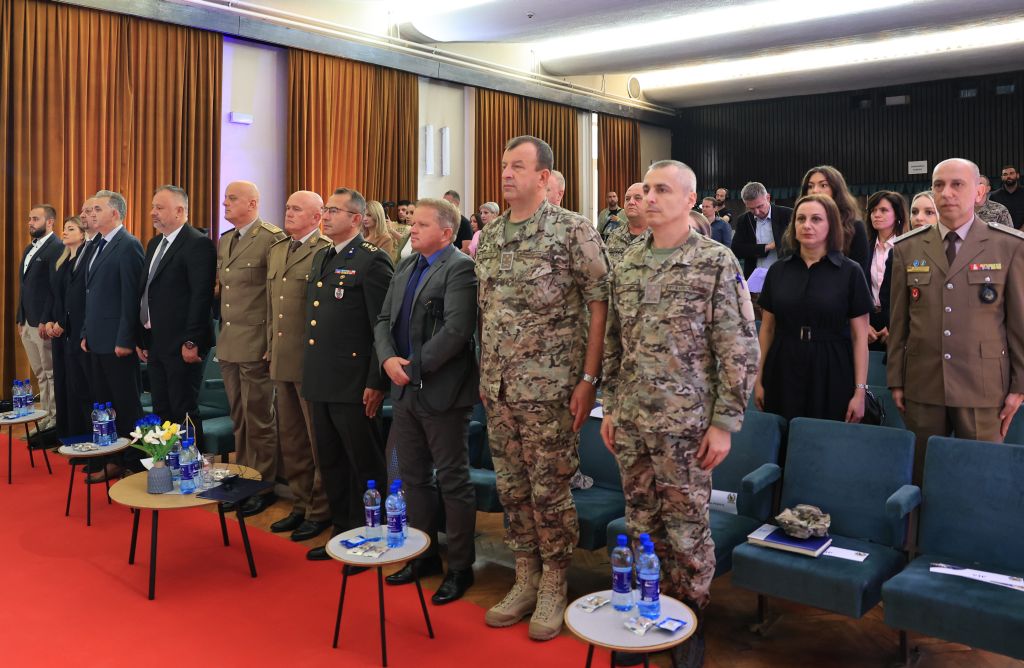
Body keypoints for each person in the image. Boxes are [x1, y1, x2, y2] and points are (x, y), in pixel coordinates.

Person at [601, 160, 759, 668]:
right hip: (632, 420)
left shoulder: (714, 261)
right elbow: (614, 345)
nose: (650, 197)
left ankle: (687, 622)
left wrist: (724, 423)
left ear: (690, 200)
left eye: (662, 190)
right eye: (647, 188)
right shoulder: (627, 262)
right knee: (641, 523)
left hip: (687, 426)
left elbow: (739, 347)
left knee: (688, 530)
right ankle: (647, 613)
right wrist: (610, 406)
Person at [475, 135, 609, 640]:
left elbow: (600, 304)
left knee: (550, 489)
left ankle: (555, 580)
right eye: (504, 165)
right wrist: (486, 374)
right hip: (499, 388)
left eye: (518, 166)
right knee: (512, 488)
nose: (507, 174)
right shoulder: (490, 235)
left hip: (551, 389)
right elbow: (487, 312)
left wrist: (589, 380)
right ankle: (525, 575)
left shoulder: (572, 230)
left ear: (544, 176)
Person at [888, 158, 1024, 484]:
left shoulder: (1008, 246)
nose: (946, 192)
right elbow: (899, 321)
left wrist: (1019, 387)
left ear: (978, 192)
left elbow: (1018, 324)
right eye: (939, 185)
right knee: (923, 477)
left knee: (980, 480)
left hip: (983, 387)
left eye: (957, 185)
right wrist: (895, 379)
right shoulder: (908, 248)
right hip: (923, 383)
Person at [375, 198, 479, 604]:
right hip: (404, 387)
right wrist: (388, 360)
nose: (412, 229)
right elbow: (384, 320)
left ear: (446, 232)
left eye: (421, 224)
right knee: (413, 477)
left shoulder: (460, 268)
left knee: (453, 480)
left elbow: (457, 331)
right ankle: (423, 555)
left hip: (442, 392)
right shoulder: (406, 266)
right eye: (412, 223)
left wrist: (413, 368)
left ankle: (461, 567)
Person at [303, 187, 394, 562]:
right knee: (331, 461)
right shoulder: (323, 255)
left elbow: (381, 328)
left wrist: (376, 382)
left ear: (356, 219)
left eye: (334, 211)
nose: (325, 216)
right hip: (321, 377)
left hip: (354, 382)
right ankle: (342, 533)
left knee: (363, 464)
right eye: (325, 209)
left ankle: (371, 536)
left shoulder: (373, 260)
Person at [754, 194, 871, 424]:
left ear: (831, 225)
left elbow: (860, 337)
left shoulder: (850, 272)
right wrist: (758, 378)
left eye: (816, 219)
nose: (807, 225)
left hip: (832, 366)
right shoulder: (778, 271)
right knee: (783, 434)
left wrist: (860, 391)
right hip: (783, 364)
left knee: (825, 436)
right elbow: (767, 329)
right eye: (801, 219)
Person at [265, 190, 334, 542]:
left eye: (296, 209)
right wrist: (269, 346)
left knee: (316, 439)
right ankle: (301, 502)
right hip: (282, 357)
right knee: (291, 439)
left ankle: (320, 509)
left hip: (310, 361)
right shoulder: (278, 249)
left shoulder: (325, 251)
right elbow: (271, 306)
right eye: (287, 207)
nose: (288, 213)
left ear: (317, 217)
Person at [215, 181, 286, 516]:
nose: (225, 204)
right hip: (230, 342)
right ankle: (244, 476)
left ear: (253, 203)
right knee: (240, 417)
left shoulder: (271, 239)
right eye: (225, 198)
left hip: (256, 342)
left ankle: (263, 484)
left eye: (232, 199)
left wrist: (272, 342)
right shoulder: (226, 239)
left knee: (259, 418)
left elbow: (275, 296)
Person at [137, 185, 216, 452]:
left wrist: (192, 341)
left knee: (183, 408)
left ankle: (192, 463)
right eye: (153, 207)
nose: (152, 212)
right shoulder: (154, 243)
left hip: (183, 343)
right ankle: (166, 461)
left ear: (180, 211)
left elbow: (201, 297)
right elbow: (146, 291)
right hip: (156, 340)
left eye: (159, 208)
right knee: (161, 407)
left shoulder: (197, 243)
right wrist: (142, 337)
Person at [81, 190, 146, 480]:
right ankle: (111, 458)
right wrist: (86, 331)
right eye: (91, 209)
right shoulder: (98, 244)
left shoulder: (128, 245)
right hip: (97, 338)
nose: (91, 214)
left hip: (117, 342)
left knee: (126, 404)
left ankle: (134, 462)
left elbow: (131, 297)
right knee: (104, 404)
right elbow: (91, 294)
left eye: (98, 209)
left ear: (115, 214)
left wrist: (125, 339)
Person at [18, 204, 63, 431]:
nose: (30, 223)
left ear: (50, 222)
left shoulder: (57, 247)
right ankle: (45, 417)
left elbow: (54, 289)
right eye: (29, 218)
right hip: (27, 321)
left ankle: (54, 419)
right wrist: (20, 318)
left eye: (35, 219)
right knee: (39, 374)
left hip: (43, 322)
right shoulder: (29, 248)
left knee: (50, 373)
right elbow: (25, 287)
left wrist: (46, 319)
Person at [44, 216, 89, 438]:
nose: (64, 232)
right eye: (64, 228)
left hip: (72, 329)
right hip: (58, 330)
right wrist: (50, 320)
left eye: (70, 229)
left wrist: (62, 322)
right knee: (62, 381)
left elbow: (78, 299)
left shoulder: (83, 260)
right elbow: (54, 296)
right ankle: (64, 433)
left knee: (76, 385)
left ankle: (78, 434)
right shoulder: (61, 261)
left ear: (82, 234)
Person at [800, 165, 870, 280]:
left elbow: (859, 274)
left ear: (836, 190)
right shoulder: (800, 225)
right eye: (810, 186)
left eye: (823, 185)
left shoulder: (854, 226)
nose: (815, 190)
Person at [865, 191, 907, 351]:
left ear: (897, 215)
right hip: (867, 319)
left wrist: (893, 325)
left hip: (898, 319)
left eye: (883, 210)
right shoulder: (865, 247)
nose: (876, 215)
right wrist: (864, 324)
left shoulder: (906, 246)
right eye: (873, 210)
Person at [730, 182, 792, 279]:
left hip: (784, 275)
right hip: (755, 278)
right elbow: (736, 249)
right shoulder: (744, 220)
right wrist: (766, 247)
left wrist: (779, 242)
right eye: (751, 208)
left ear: (768, 198)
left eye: (760, 206)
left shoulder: (788, 214)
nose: (757, 212)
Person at [605, 182, 648, 267]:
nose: (631, 202)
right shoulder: (614, 235)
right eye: (627, 199)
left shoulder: (659, 238)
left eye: (638, 198)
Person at [989, 165, 1023, 229]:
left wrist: (1020, 232)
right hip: (1001, 232)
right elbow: (992, 218)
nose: (1008, 176)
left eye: (1011, 173)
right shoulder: (994, 196)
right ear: (1002, 177)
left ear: (1017, 175)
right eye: (1005, 174)